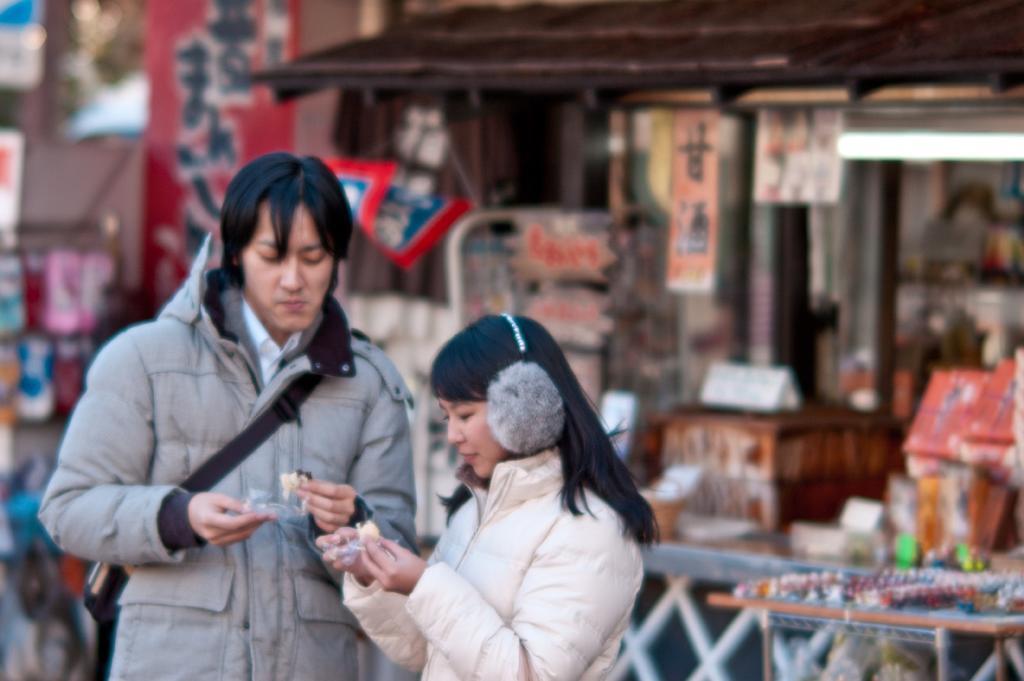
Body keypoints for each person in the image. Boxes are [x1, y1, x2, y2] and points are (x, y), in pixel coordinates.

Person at [39, 152, 417, 681]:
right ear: (235, 252)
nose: (293, 280)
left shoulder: (373, 384)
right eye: (272, 255)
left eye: (313, 258)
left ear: (337, 260)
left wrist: (356, 527)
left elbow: (401, 559)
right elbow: (68, 509)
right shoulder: (144, 358)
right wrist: (177, 517)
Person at [319, 313, 656, 680]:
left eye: (464, 414)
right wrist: (375, 576)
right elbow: (425, 651)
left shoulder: (591, 530)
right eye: (447, 417)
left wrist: (424, 583)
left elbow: (531, 675)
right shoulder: (474, 510)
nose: (453, 436)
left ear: (527, 403)